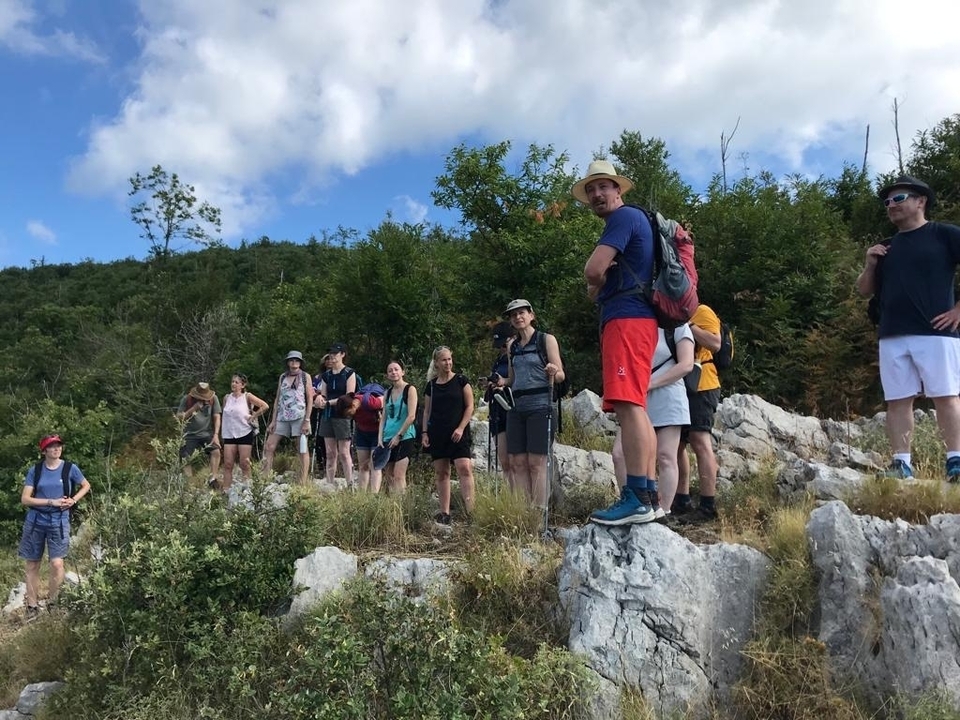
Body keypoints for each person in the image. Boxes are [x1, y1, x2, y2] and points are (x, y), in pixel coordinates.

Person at [856, 175, 960, 482]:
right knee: (898, 400)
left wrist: (958, 309)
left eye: (898, 199)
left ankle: (955, 461)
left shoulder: (943, 235)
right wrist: (870, 264)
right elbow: (864, 290)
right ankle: (901, 464)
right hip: (891, 334)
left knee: (946, 395)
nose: (890, 205)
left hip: (936, 332)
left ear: (920, 201)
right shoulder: (886, 247)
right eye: (887, 201)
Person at [575, 160, 659, 525]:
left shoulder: (624, 219)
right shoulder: (635, 222)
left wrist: (595, 276)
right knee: (635, 406)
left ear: (618, 190)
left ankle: (637, 495)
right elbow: (594, 292)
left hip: (627, 320)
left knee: (628, 406)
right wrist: (597, 283)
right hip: (634, 319)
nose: (596, 195)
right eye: (591, 190)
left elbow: (592, 275)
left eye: (603, 187)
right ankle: (649, 494)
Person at [612, 325, 695, 519]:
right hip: (637, 396)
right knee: (620, 454)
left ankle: (662, 512)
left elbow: (686, 364)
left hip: (668, 395)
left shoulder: (677, 326)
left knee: (666, 456)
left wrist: (650, 383)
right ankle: (631, 503)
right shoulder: (637, 322)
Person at [502, 299, 564, 508]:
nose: (518, 317)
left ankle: (538, 514)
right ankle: (522, 514)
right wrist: (499, 383)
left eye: (522, 313)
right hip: (516, 407)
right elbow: (512, 379)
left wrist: (554, 372)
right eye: (513, 315)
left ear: (531, 315)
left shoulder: (546, 340)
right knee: (517, 462)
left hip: (541, 406)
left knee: (536, 463)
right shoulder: (512, 346)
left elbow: (561, 374)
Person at [19, 434, 91, 616]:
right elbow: (25, 499)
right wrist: (51, 502)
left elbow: (86, 485)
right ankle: (32, 607)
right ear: (44, 451)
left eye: (59, 445)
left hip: (59, 520)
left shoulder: (69, 468)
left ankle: (53, 603)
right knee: (32, 564)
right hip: (36, 520)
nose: (56, 448)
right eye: (52, 446)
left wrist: (73, 500)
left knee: (57, 563)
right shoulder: (35, 470)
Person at [672, 304, 723, 523]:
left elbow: (715, 343)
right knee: (677, 444)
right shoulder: (670, 316)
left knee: (700, 440)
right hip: (681, 386)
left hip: (704, 385)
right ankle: (682, 499)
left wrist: (689, 327)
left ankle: (707, 505)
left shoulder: (703, 312)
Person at [421, 346, 475, 524]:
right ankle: (445, 513)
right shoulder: (431, 386)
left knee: (464, 468)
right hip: (438, 433)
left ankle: (471, 513)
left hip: (458, 432)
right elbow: (426, 411)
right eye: (444, 360)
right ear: (436, 363)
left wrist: (460, 428)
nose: (448, 363)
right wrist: (424, 433)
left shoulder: (461, 380)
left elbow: (470, 406)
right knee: (442, 472)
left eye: (449, 359)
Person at [262, 350, 315, 483]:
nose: (294, 363)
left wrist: (307, 420)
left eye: (296, 360)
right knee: (269, 445)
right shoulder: (283, 377)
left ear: (300, 362)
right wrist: (273, 420)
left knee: (302, 448)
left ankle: (302, 480)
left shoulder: (305, 376)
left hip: (299, 415)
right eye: (291, 360)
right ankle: (264, 478)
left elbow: (310, 398)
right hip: (282, 415)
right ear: (288, 362)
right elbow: (278, 398)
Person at [314, 343, 356, 487]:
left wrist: (327, 403)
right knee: (330, 452)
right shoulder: (326, 375)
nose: (332, 356)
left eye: (335, 353)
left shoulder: (349, 373)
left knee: (344, 452)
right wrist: (319, 399)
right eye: (331, 353)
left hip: (342, 415)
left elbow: (348, 397)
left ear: (342, 354)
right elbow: (323, 394)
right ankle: (329, 483)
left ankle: (350, 483)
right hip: (328, 415)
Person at [478, 322, 513, 487]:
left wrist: (504, 384)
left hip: (512, 409)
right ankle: (510, 495)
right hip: (497, 410)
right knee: (504, 460)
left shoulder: (517, 358)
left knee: (516, 461)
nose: (502, 349)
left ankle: (522, 497)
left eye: (504, 345)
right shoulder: (499, 360)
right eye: (500, 346)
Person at [219, 374, 269, 490]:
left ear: (243, 385)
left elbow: (264, 406)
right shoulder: (227, 398)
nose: (234, 384)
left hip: (244, 432)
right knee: (228, 464)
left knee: (244, 463)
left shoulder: (247, 396)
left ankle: (248, 488)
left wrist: (254, 416)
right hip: (229, 433)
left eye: (237, 382)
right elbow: (224, 414)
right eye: (232, 382)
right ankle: (226, 490)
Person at [379, 360, 418, 494]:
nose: (393, 372)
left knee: (399, 475)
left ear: (402, 372)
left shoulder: (410, 389)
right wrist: (380, 437)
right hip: (388, 436)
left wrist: (399, 436)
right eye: (390, 370)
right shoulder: (387, 393)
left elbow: (411, 416)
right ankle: (392, 507)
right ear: (387, 375)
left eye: (396, 369)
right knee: (389, 475)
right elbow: (383, 417)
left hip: (405, 436)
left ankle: (401, 507)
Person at [176, 382, 222, 482]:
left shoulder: (213, 399)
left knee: (216, 451)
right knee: (185, 457)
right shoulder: (187, 399)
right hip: (189, 435)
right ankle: (189, 482)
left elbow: (217, 416)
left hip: (206, 433)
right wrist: (193, 409)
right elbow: (179, 417)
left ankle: (213, 478)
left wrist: (216, 435)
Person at [345, 385, 385, 492]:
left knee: (374, 465)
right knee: (363, 465)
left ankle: (374, 496)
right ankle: (362, 495)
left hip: (377, 433)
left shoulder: (370, 402)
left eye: (348, 413)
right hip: (362, 433)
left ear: (352, 405)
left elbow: (386, 400)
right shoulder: (350, 405)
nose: (348, 416)